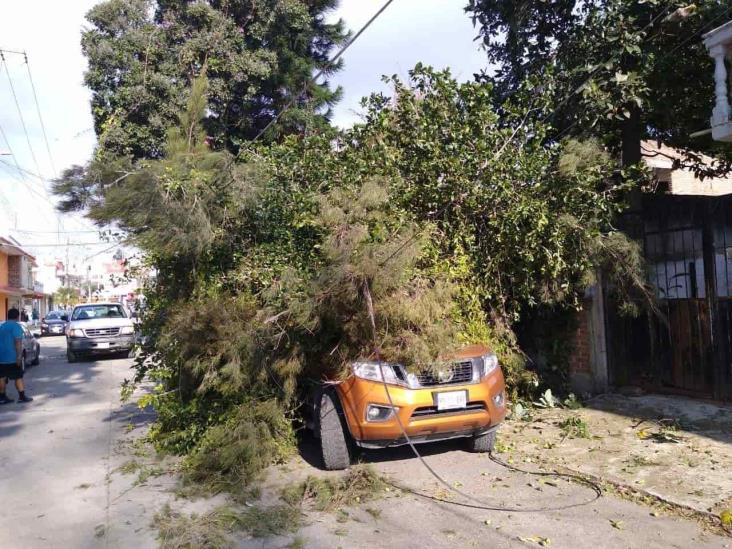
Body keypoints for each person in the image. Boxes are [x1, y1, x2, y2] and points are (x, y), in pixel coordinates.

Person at [0, 308, 33, 404]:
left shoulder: (2, 327)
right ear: (17, 316)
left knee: (1, 377)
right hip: (12, 357)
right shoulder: (16, 327)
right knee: (18, 377)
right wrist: (19, 356)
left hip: (1, 357)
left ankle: (2, 398)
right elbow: (18, 342)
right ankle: (22, 397)